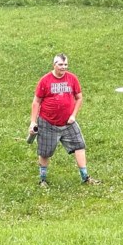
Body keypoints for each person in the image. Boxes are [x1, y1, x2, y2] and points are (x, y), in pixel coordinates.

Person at [29, 53, 100, 187]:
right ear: (54, 65)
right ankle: (43, 180)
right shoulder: (45, 80)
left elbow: (79, 97)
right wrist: (33, 122)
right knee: (45, 152)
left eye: (66, 64)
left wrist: (73, 115)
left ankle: (85, 177)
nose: (63, 67)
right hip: (48, 123)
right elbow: (36, 102)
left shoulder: (72, 79)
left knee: (80, 146)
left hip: (68, 123)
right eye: (60, 64)